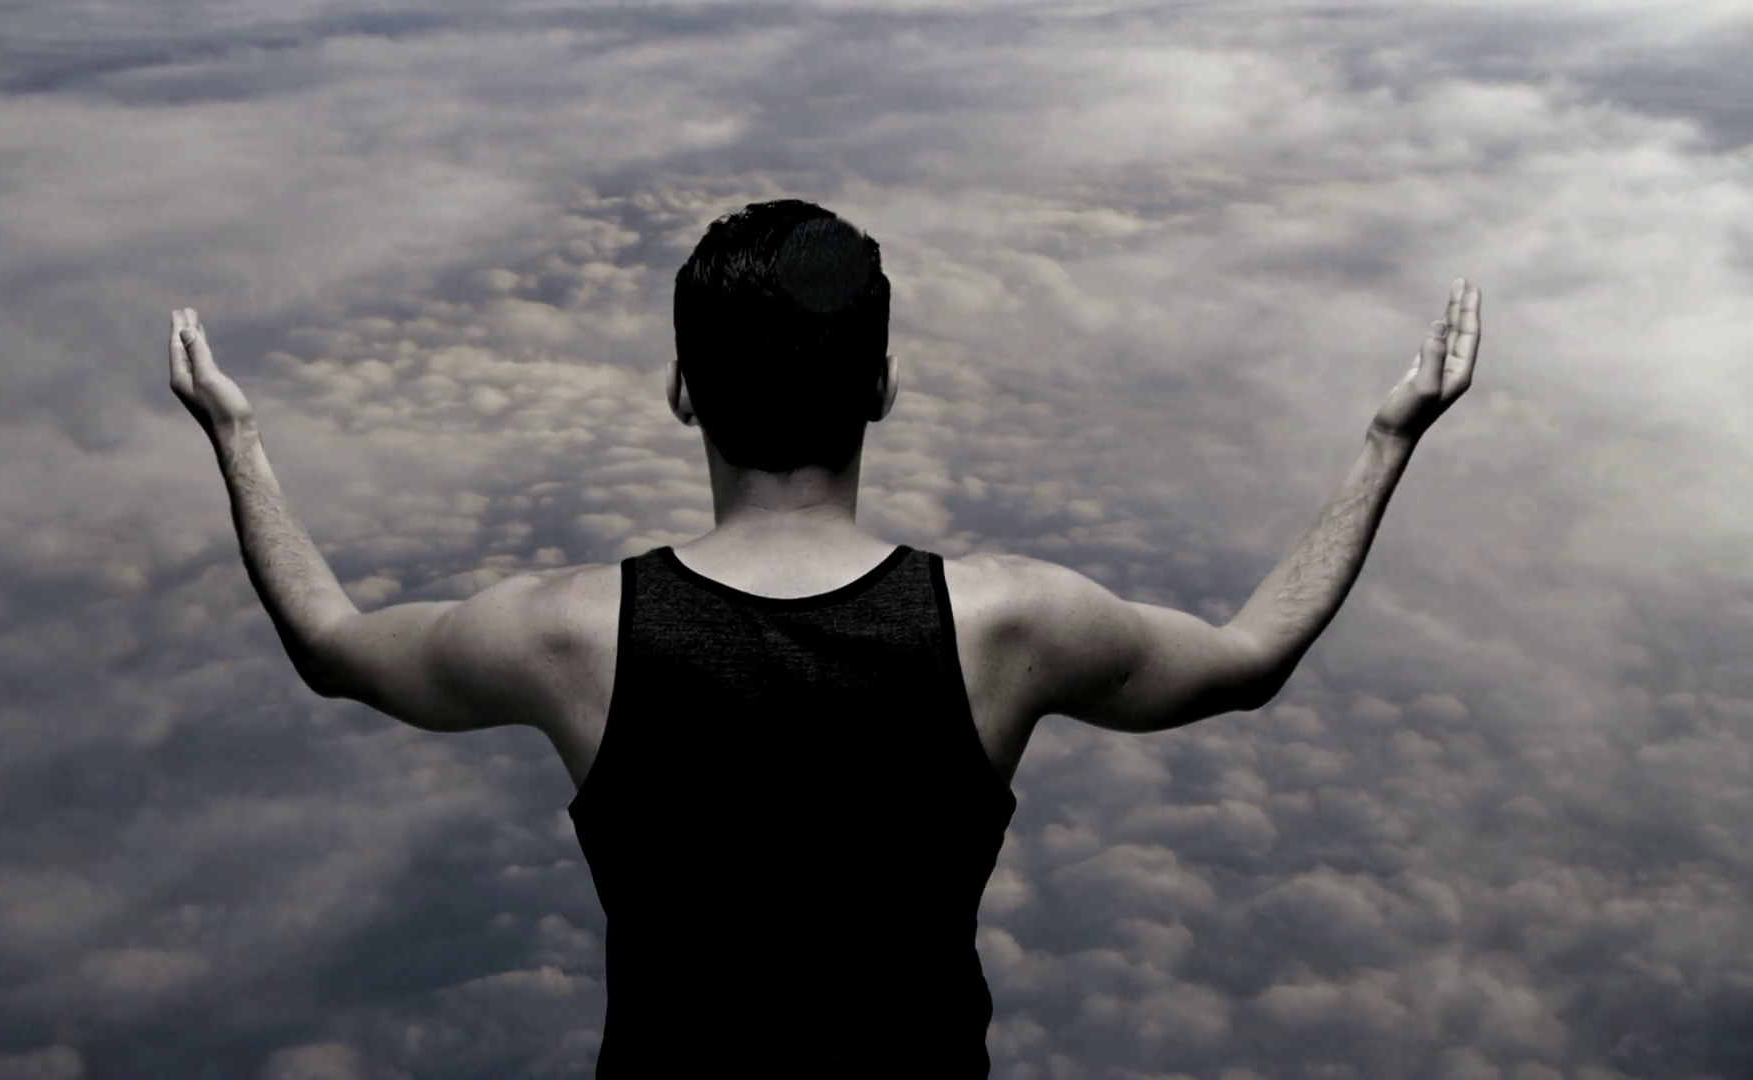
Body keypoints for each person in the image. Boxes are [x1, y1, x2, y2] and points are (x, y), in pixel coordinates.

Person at [166, 199, 1482, 1077]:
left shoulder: (573, 635)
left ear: (682, 394)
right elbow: (1249, 660)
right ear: (883, 388)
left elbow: (330, 642)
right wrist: (1388, 440)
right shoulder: (1006, 624)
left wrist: (238, 437)